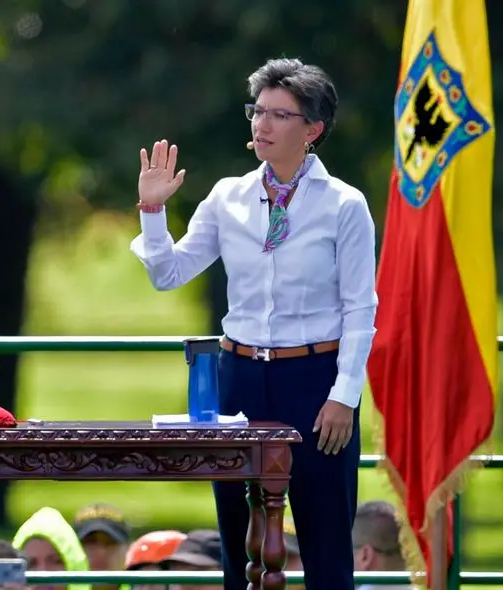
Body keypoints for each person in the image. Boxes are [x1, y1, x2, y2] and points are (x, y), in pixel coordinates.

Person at [130, 57, 377, 590]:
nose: (261, 124)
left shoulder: (344, 206)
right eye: (256, 111)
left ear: (312, 129)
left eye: (278, 115)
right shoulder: (227, 196)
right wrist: (152, 213)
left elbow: (361, 307)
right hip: (238, 377)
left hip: (315, 380)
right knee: (236, 540)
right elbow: (170, 274)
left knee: (325, 542)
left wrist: (345, 395)